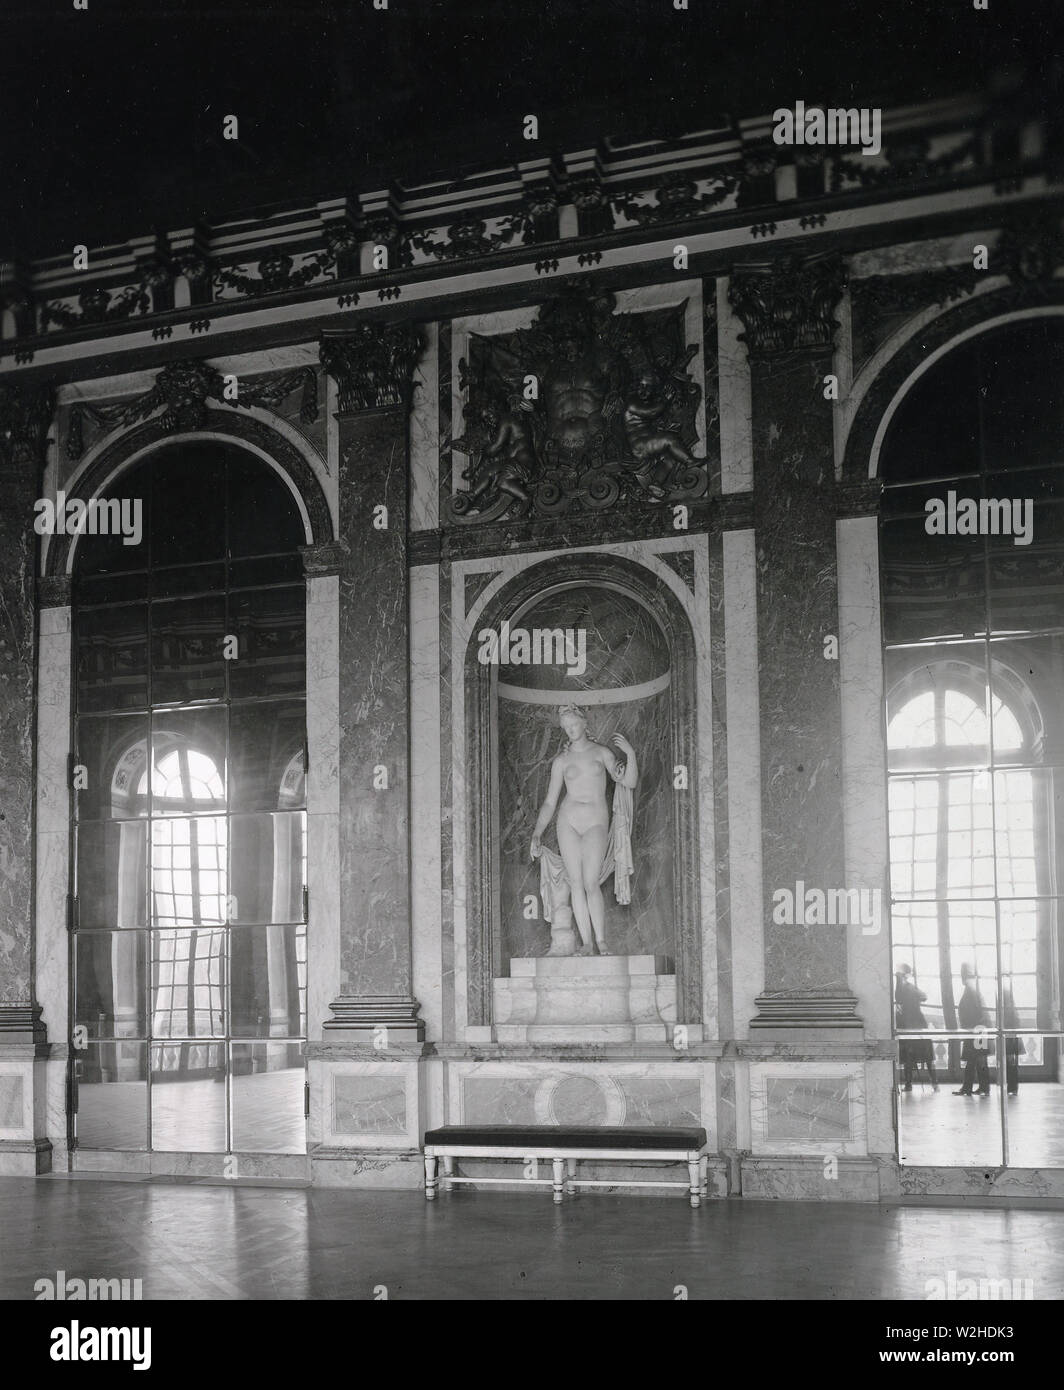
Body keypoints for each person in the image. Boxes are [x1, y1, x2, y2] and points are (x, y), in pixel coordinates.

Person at [530, 705, 637, 956]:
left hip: (595, 822)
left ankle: (601, 941)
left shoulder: (601, 753)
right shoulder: (562, 761)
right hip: (567, 821)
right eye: (566, 728)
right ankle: (587, 943)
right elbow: (549, 802)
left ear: (583, 722)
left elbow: (629, 781)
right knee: (576, 882)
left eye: (574, 725)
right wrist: (537, 832)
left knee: (590, 882)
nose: (570, 731)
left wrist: (630, 753)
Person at [895, 963, 938, 1091]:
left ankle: (913, 1084)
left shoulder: (907, 988)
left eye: (900, 975)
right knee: (921, 1056)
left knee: (916, 1056)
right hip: (914, 1026)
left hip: (914, 1026)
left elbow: (923, 996)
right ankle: (933, 1084)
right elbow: (923, 996)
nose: (899, 978)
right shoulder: (908, 988)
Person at [954, 962, 991, 1097]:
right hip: (978, 1030)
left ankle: (973, 1088)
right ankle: (978, 1087)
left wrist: (973, 1029)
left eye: (963, 975)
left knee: (976, 1060)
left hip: (977, 1030)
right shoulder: (972, 990)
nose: (962, 978)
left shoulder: (972, 991)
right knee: (975, 1060)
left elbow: (979, 1012)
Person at [1002, 981, 1022, 1098]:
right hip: (1011, 1039)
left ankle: (1012, 1087)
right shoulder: (1012, 1010)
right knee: (1012, 1065)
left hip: (1009, 1039)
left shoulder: (1008, 1011)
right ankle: (1012, 1088)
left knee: (1010, 1065)